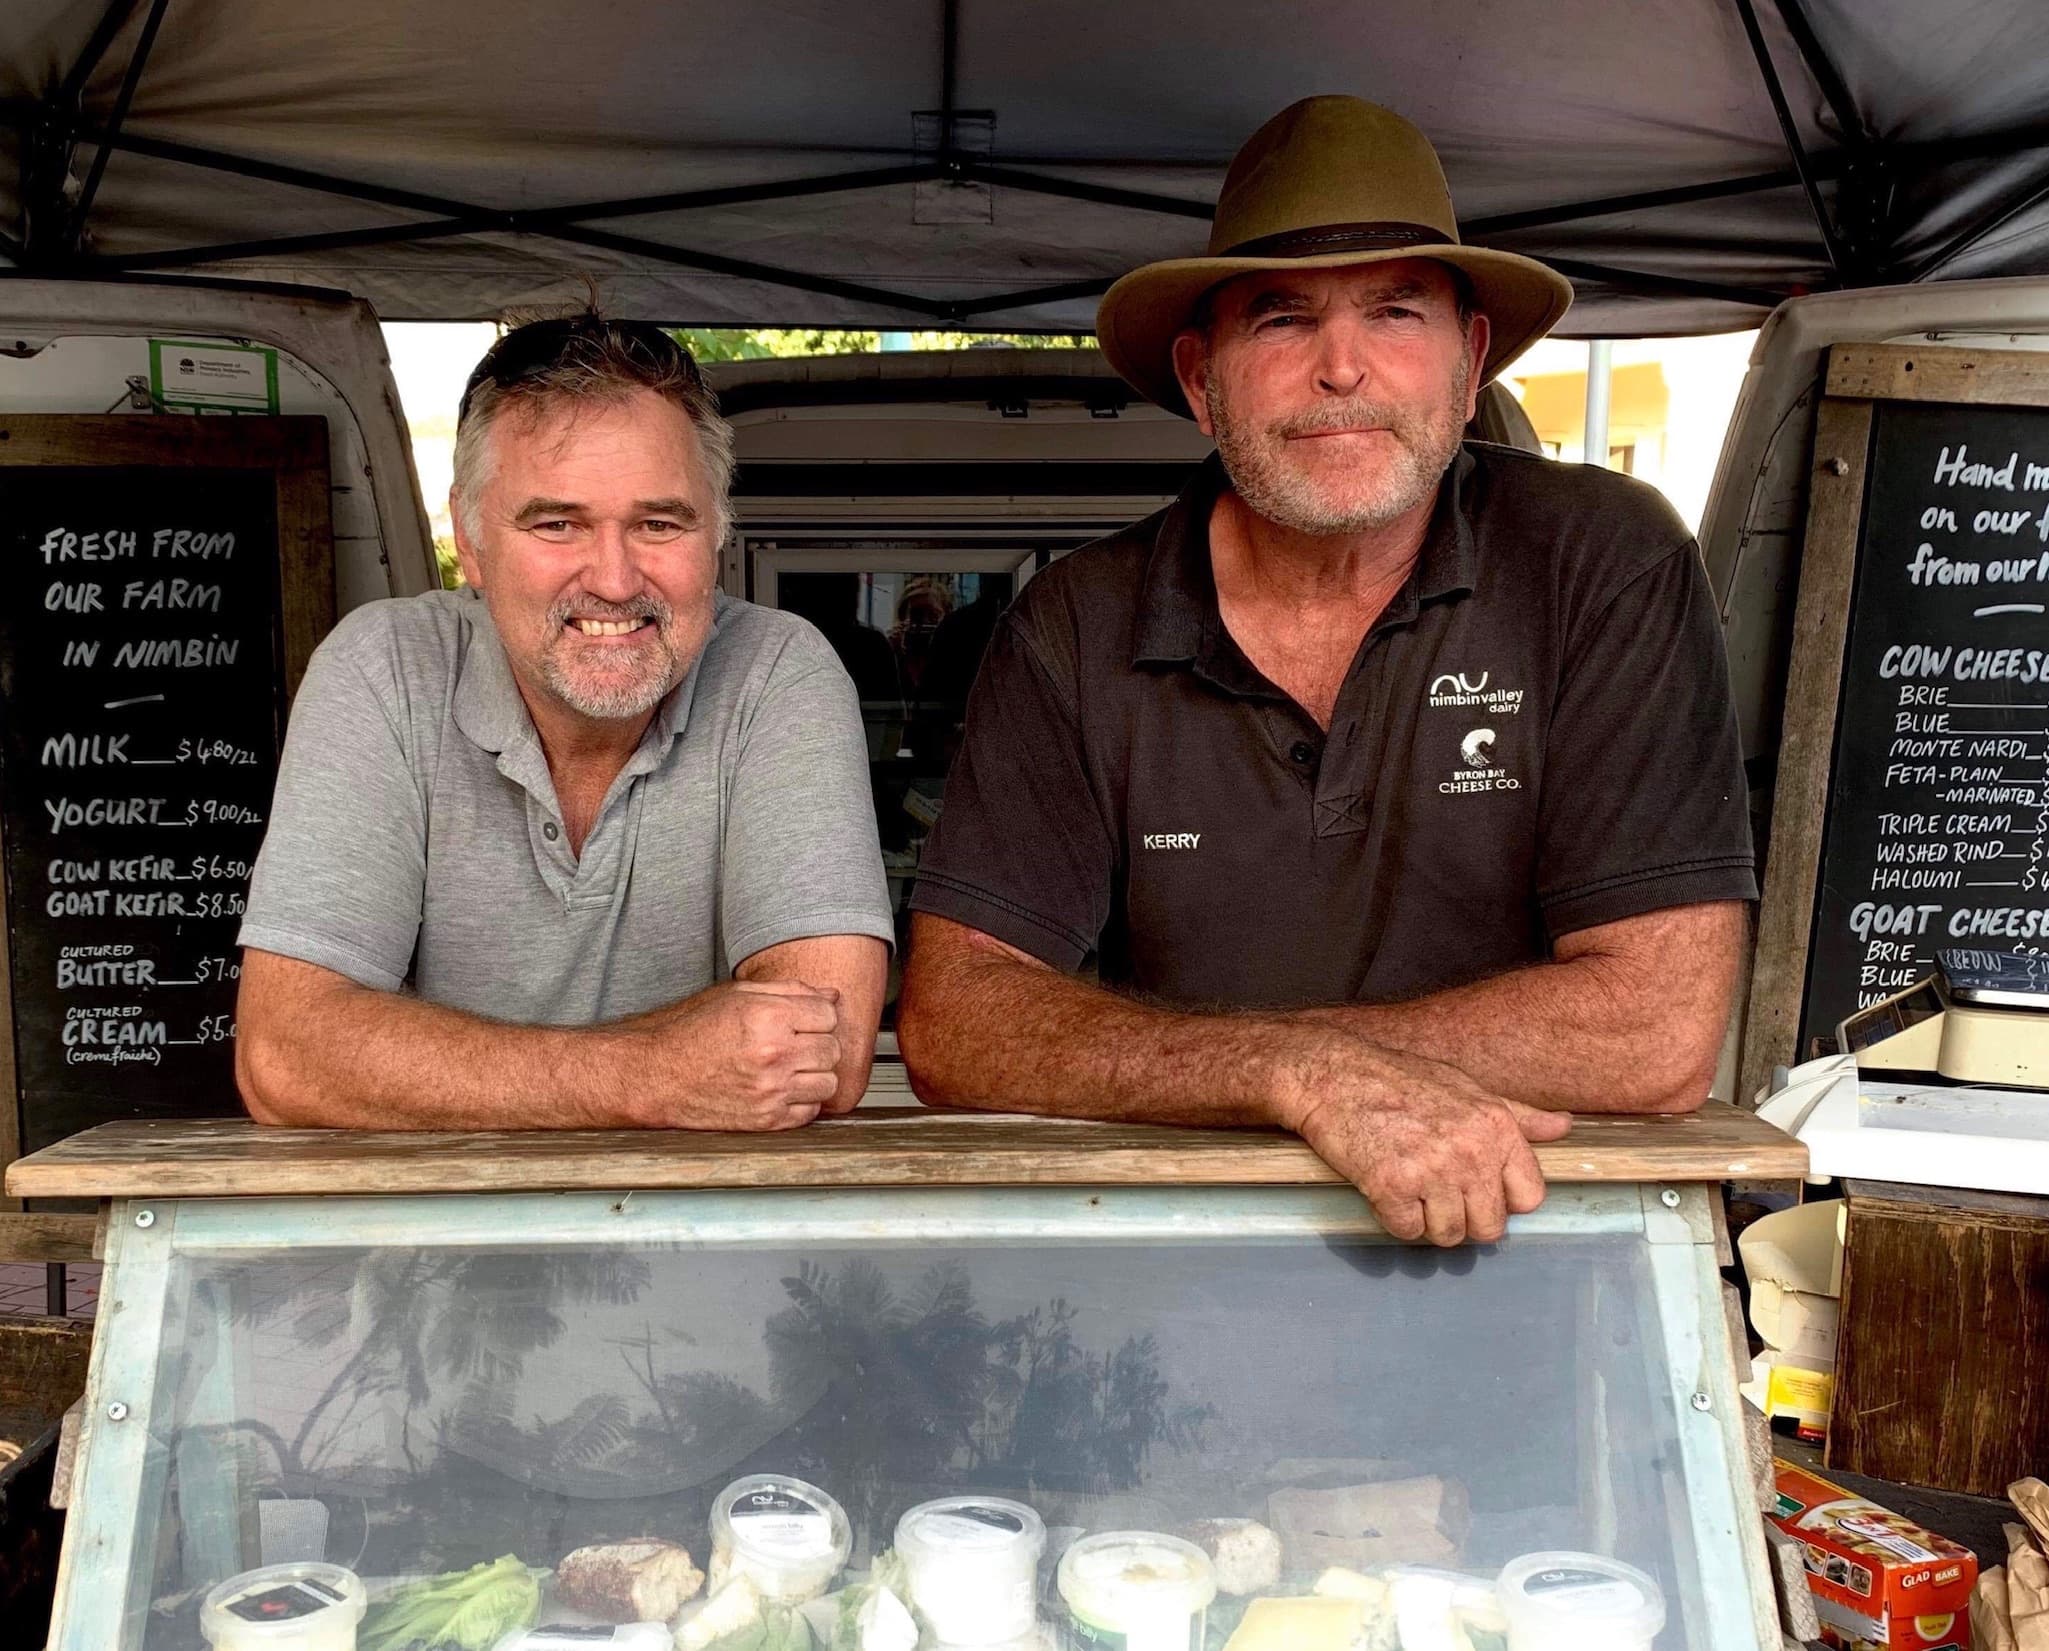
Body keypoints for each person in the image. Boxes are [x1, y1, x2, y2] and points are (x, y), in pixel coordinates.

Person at [896, 97, 1757, 1246]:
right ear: (1202, 380)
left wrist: (1291, 1064)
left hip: (1538, 1255)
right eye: (1282, 318)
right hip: (1176, 1265)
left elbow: (1653, 1029)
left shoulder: (1602, 561)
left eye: (1395, 311)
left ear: (1469, 361)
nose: (1342, 368)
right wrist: (1292, 1073)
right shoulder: (1077, 624)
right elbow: (956, 1022)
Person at [234, 317, 894, 1130]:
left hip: (711, 1212)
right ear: (470, 537)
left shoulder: (777, 669)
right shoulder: (385, 667)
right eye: (557, 524)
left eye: (659, 524)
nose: (613, 580)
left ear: (717, 533)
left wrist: (427, 1061)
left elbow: (821, 1054)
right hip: (438, 1210)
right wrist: (652, 1071)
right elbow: (285, 1055)